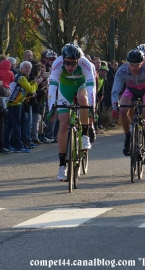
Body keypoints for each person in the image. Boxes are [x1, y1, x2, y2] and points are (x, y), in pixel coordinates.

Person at [47, 43, 95, 181]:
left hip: (81, 86)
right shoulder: (57, 63)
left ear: (79, 61)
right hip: (65, 90)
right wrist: (51, 107)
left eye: (73, 64)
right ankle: (62, 166)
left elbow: (91, 86)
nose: (70, 67)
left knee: (82, 98)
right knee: (63, 125)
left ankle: (85, 134)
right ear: (63, 59)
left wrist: (92, 106)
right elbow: (52, 87)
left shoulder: (86, 64)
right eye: (67, 63)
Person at [111, 49, 145, 164]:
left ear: (142, 63)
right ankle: (127, 136)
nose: (134, 68)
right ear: (128, 63)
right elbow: (115, 89)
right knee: (123, 110)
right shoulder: (122, 70)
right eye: (132, 65)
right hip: (130, 90)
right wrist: (114, 104)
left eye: (137, 65)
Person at [4, 61, 43, 153]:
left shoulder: (25, 77)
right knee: (17, 125)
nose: (28, 69)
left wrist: (34, 82)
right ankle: (17, 145)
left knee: (15, 125)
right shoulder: (21, 77)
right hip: (14, 104)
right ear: (21, 69)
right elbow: (30, 89)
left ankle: (10, 144)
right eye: (26, 67)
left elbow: (30, 89)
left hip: (18, 103)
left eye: (29, 68)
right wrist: (36, 83)